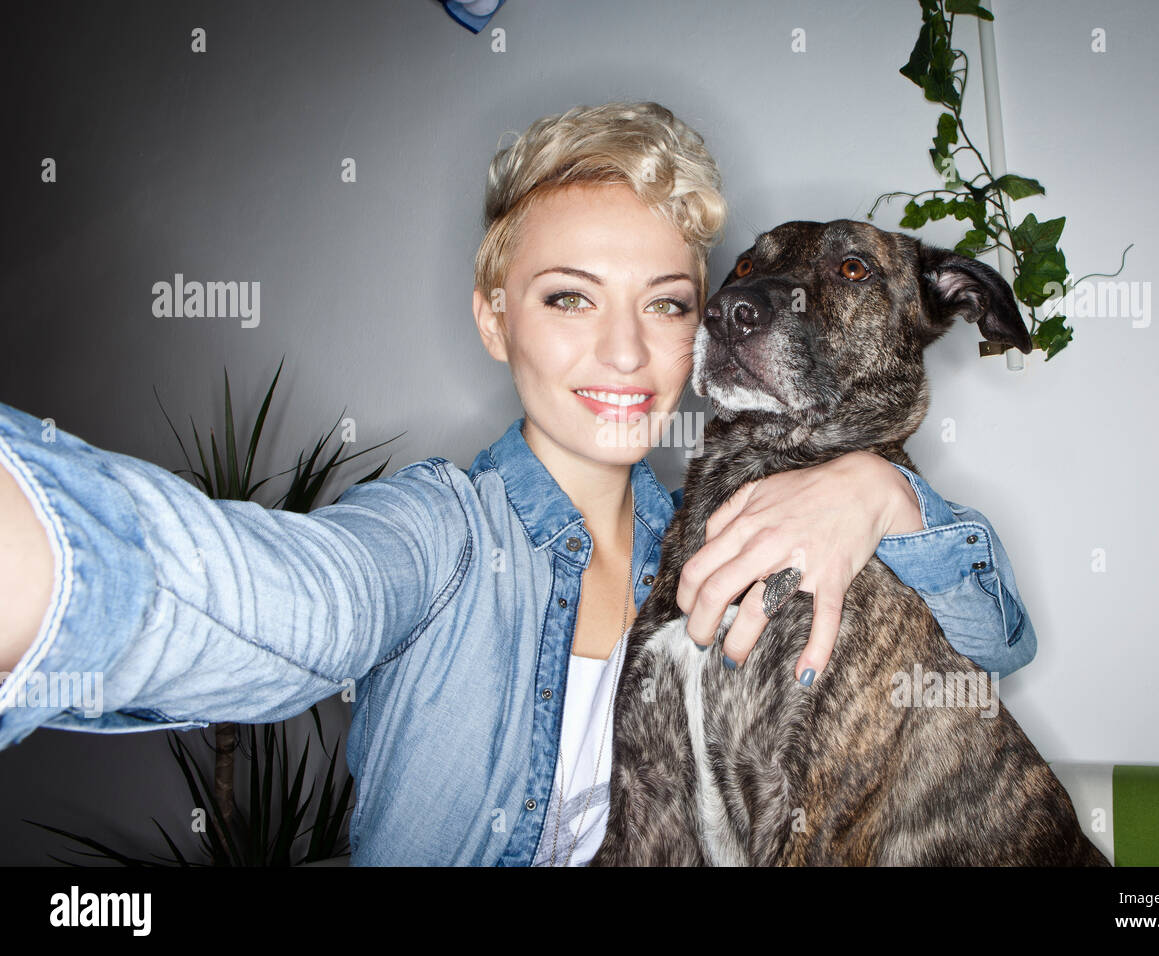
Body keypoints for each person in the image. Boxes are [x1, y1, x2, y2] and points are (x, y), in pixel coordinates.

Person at [0, 101, 1035, 866]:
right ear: (497, 319)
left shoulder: (719, 542)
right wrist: (55, 561)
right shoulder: (442, 532)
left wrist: (881, 494)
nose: (625, 351)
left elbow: (994, 639)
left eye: (670, 303)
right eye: (569, 298)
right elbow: (300, 597)